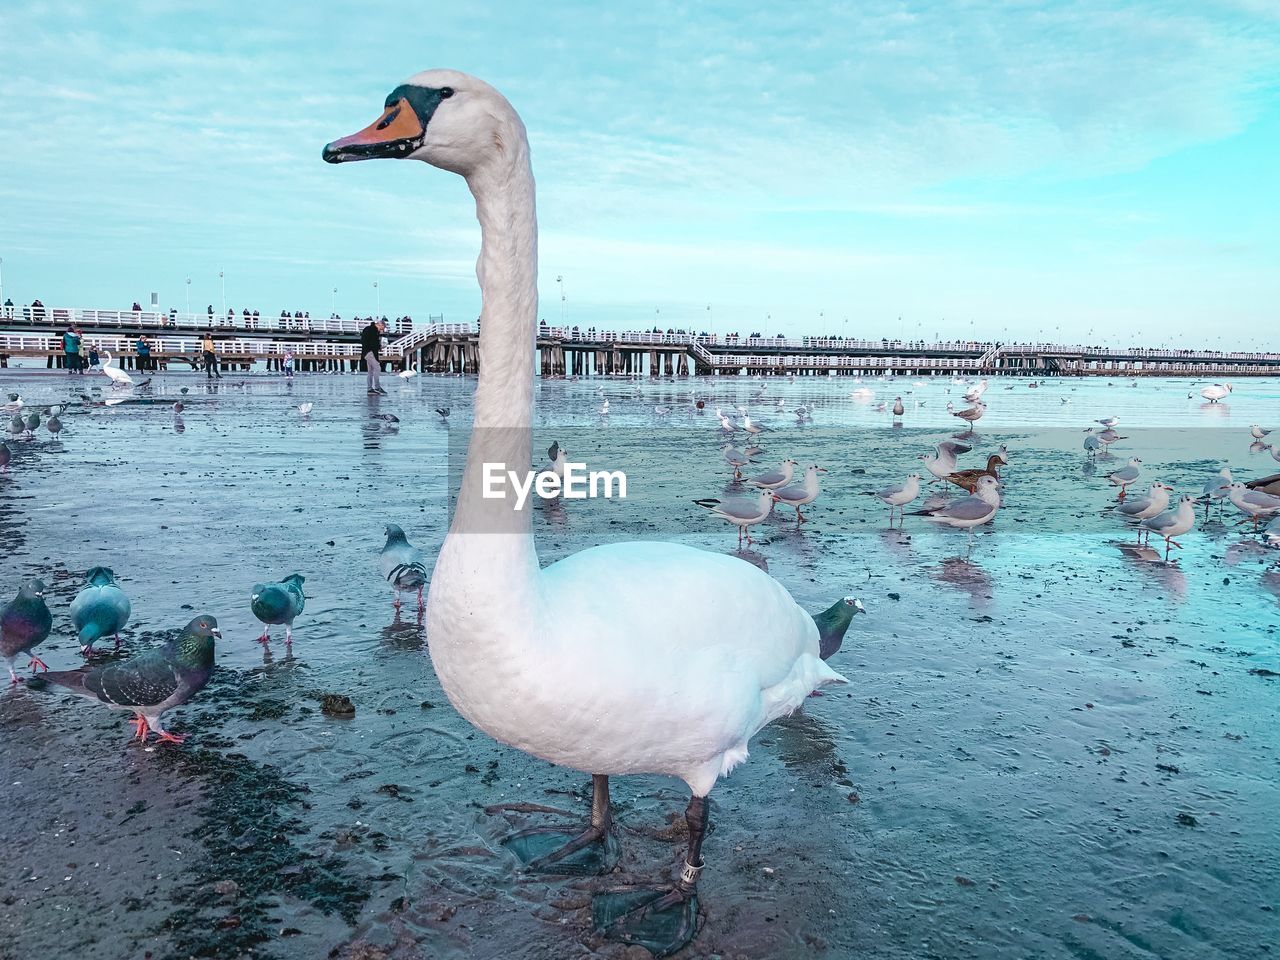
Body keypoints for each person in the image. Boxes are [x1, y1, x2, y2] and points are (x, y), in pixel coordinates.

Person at [362, 318, 387, 395]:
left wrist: (378, 347)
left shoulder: (369, 329)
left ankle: (369, 389)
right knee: (377, 368)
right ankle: (377, 387)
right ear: (380, 325)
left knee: (370, 371)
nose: (381, 330)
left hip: (366, 352)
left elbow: (364, 340)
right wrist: (380, 346)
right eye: (381, 328)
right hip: (370, 352)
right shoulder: (373, 331)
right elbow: (372, 343)